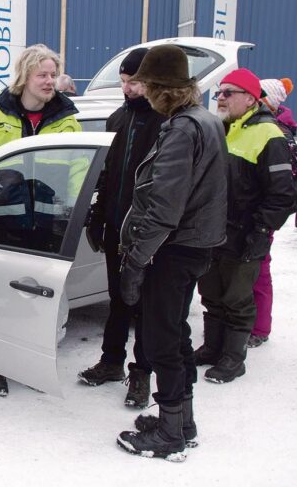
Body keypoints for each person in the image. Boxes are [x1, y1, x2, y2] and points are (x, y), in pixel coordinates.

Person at [0, 43, 82, 397]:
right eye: (43, 74)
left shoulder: (67, 120)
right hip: (4, 223)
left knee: (40, 303)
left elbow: (78, 171)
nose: (50, 81)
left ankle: (33, 364)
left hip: (48, 223)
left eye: (53, 74)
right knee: (1, 300)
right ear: (25, 77)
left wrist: (75, 209)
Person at [115, 45, 228, 461]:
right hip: (195, 244)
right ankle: (182, 420)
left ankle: (169, 432)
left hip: (173, 247)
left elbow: (164, 204)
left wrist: (137, 259)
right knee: (176, 333)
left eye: (147, 85)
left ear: (164, 88)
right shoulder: (206, 121)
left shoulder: (181, 128)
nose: (141, 92)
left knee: (160, 338)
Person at [79, 48, 167, 409]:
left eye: (135, 82)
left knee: (144, 305)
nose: (127, 88)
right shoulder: (117, 119)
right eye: (124, 81)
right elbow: (108, 175)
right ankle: (111, 362)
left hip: (148, 233)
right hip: (116, 227)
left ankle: (142, 374)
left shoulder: (166, 123)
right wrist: (99, 215)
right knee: (118, 300)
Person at [195, 69, 295, 384]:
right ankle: (213, 347)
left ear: (250, 98)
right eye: (219, 92)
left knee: (237, 298)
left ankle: (233, 359)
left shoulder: (270, 134)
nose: (220, 98)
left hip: (246, 234)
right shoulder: (220, 128)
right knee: (210, 293)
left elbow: (283, 194)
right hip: (213, 231)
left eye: (228, 93)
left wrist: (262, 231)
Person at [248, 78, 296, 348]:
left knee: (259, 269)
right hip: (249, 211)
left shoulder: (278, 132)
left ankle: (259, 327)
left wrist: (266, 221)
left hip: (262, 215)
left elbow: (282, 188)